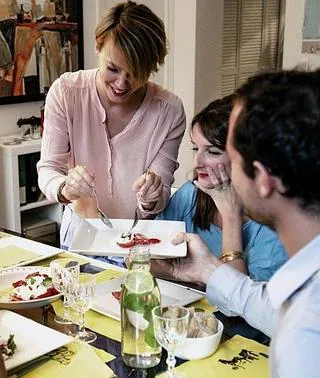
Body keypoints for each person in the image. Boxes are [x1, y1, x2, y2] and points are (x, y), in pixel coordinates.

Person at [151, 69, 320, 377]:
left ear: (264, 178)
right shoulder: (303, 297)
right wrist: (207, 269)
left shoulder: (305, 334)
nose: (198, 164)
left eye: (228, 152)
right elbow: (270, 309)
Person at [37, 1, 186, 257]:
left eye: (136, 73)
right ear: (98, 46)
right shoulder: (66, 92)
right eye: (113, 69)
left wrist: (152, 195)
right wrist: (66, 187)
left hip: (140, 243)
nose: (121, 84)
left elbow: (160, 194)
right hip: (81, 236)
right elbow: (48, 169)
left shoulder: (169, 110)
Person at [157, 97, 287, 281]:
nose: (196, 163)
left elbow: (238, 300)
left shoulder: (275, 225)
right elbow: (142, 259)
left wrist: (230, 216)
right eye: (196, 149)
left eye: (213, 152)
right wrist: (198, 275)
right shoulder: (191, 194)